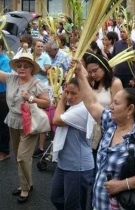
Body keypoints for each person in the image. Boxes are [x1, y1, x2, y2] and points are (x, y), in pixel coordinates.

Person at [74, 59, 135, 210]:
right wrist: (79, 73)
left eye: (116, 103)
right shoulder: (110, 124)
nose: (111, 106)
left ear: (130, 109)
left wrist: (123, 185)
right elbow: (91, 103)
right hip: (100, 203)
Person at [0, 51, 50, 203]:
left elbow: (47, 103)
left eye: (26, 66)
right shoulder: (11, 78)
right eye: (19, 66)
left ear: (31, 69)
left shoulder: (37, 83)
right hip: (13, 121)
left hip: (29, 123)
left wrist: (31, 98)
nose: (22, 69)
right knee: (18, 156)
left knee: (22, 157)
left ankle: (25, 189)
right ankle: (27, 183)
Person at [50, 78, 94, 210]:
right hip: (64, 163)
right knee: (56, 197)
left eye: (73, 93)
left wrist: (62, 100)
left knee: (73, 206)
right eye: (67, 92)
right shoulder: (74, 106)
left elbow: (56, 120)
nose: (69, 96)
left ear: (85, 92)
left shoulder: (83, 109)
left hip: (78, 166)